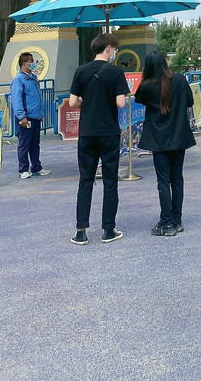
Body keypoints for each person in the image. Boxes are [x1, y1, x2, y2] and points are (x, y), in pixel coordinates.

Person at [68, 33, 129, 245]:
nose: (115, 52)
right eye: (114, 49)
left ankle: (81, 231)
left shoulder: (81, 71)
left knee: (85, 180)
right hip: (109, 132)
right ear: (108, 48)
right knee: (110, 182)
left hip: (87, 132)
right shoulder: (116, 72)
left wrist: (88, 102)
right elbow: (121, 103)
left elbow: (73, 102)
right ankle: (108, 229)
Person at [135, 50, 196, 236]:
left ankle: (166, 222)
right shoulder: (180, 80)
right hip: (179, 136)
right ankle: (177, 220)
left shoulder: (147, 86)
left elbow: (138, 98)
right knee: (177, 179)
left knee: (163, 181)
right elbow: (189, 101)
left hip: (159, 139)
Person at [10, 52, 48, 179]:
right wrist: (22, 116)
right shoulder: (18, 79)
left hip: (35, 116)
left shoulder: (33, 78)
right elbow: (17, 99)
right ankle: (23, 169)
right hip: (26, 117)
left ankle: (36, 167)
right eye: (31, 62)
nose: (33, 64)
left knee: (34, 144)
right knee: (24, 144)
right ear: (24, 64)